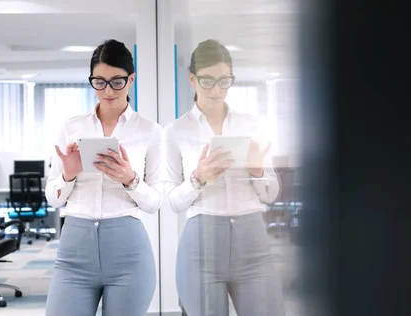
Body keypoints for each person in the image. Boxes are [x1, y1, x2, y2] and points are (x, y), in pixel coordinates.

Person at [164, 39, 286, 316]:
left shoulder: (251, 124)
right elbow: (173, 202)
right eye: (208, 81)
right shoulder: (175, 131)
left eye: (224, 81)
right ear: (192, 79)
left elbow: (271, 194)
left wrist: (257, 170)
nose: (217, 90)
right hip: (200, 248)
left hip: (252, 243)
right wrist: (198, 177)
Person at [44, 39, 161, 316]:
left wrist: (129, 178)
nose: (108, 90)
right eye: (99, 81)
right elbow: (53, 198)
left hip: (128, 255)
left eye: (117, 81)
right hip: (74, 252)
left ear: (131, 79)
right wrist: (69, 175)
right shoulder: (71, 127)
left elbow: (154, 202)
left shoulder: (150, 131)